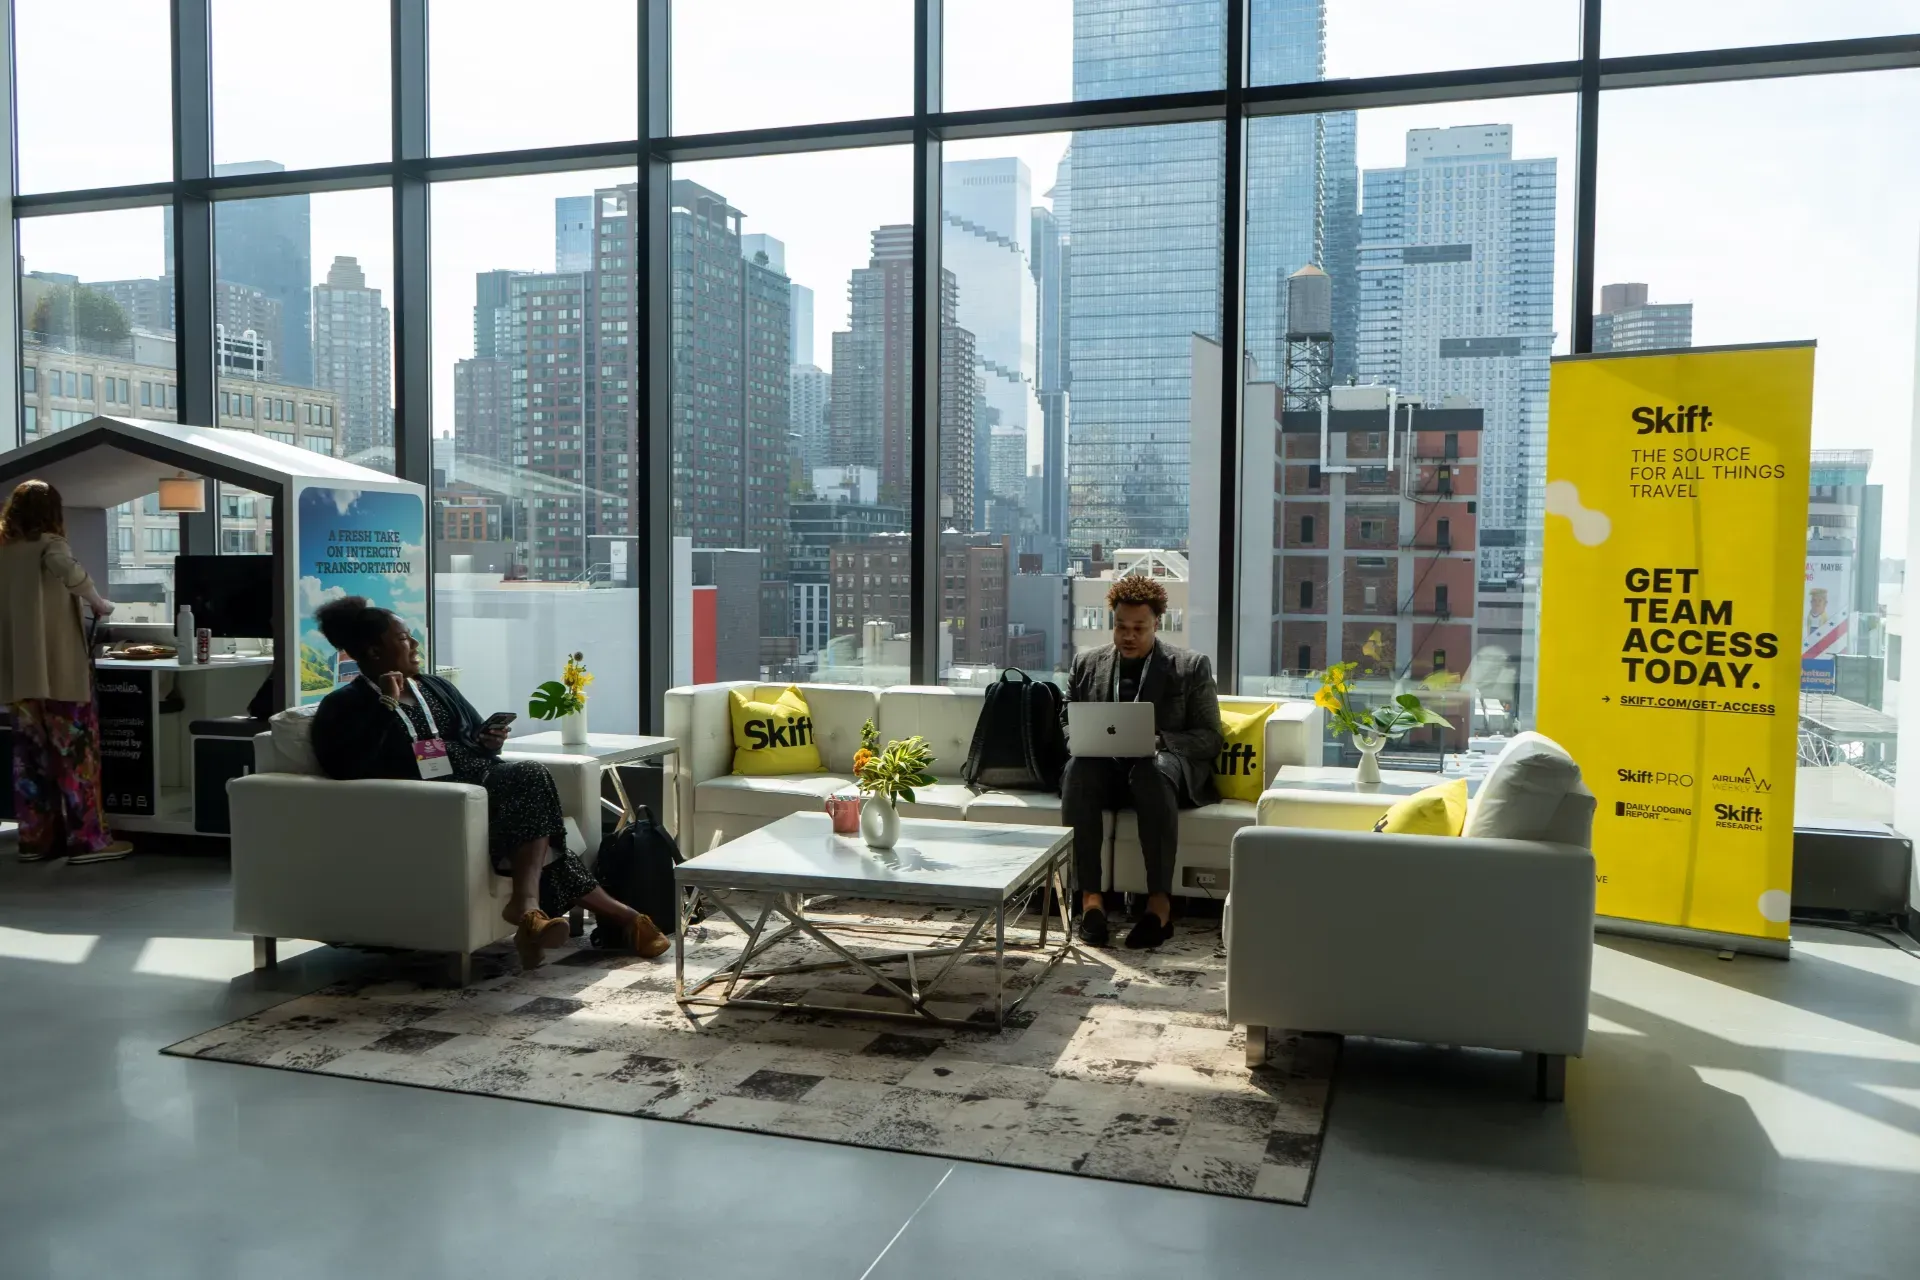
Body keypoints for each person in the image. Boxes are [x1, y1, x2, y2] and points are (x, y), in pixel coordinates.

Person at [306, 596, 670, 968]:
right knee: (531, 780)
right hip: (433, 805)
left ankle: (534, 915)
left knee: (531, 814)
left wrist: (488, 741)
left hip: (481, 790)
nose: (414, 644)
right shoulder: (345, 704)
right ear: (374, 651)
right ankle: (606, 916)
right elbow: (346, 765)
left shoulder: (433, 686)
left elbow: (471, 734)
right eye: (403, 638)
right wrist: (387, 702)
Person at [1060, 573, 1223, 949]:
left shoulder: (1190, 666)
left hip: (1161, 769)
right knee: (1078, 771)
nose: (1128, 636)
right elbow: (1066, 718)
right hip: (1105, 767)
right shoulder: (1086, 664)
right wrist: (1079, 740)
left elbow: (1210, 738)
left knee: (1151, 771)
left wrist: (1160, 741)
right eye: (1121, 626)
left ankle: (1159, 905)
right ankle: (1091, 901)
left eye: (1138, 628)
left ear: (1156, 624)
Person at [0, 480, 133, 865]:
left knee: (30, 759)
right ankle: (88, 842)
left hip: (19, 675)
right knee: (76, 755)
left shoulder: (5, 550)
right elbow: (67, 570)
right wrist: (98, 601)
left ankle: (36, 841)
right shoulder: (51, 544)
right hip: (60, 673)